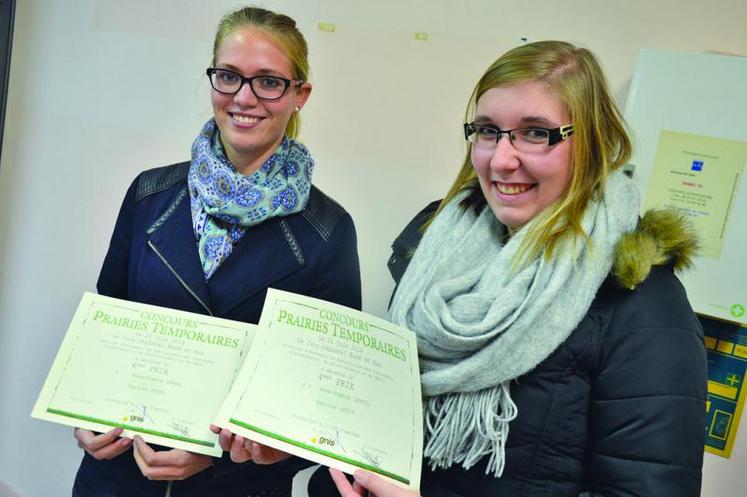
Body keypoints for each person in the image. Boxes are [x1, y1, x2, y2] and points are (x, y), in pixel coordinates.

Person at [325, 40, 707, 497]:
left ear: (593, 143)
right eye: (488, 130)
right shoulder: (432, 254)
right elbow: (381, 422)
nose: (502, 159)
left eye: (535, 133)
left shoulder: (642, 304)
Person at [71, 6, 361, 497]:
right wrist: (84, 413)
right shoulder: (150, 195)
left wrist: (216, 459)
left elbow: (321, 407)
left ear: (299, 95)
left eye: (268, 81)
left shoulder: (328, 230)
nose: (244, 98)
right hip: (117, 479)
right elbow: (105, 333)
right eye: (229, 76)